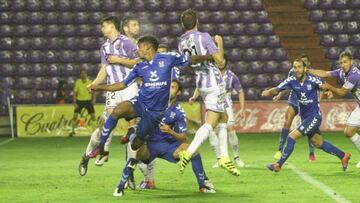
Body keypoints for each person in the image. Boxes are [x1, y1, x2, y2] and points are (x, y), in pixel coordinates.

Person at [89, 35, 212, 196]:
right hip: (140, 103)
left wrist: (211, 56)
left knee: (135, 145)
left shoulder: (168, 58)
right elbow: (122, 84)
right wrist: (99, 88)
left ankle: (201, 182)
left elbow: (191, 59)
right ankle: (101, 147)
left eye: (139, 47)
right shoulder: (139, 66)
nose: (137, 51)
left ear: (148, 48)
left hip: (154, 113)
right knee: (118, 110)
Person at [114, 80, 216, 197]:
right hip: (149, 145)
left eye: (173, 87)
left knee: (193, 152)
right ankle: (122, 185)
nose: (169, 89)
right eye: (168, 86)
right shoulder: (151, 102)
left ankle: (203, 184)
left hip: (169, 146)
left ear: (178, 92)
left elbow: (183, 138)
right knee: (135, 149)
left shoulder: (178, 112)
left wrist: (170, 131)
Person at [177, 9, 240, 176]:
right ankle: (189, 152)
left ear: (183, 25)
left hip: (201, 82)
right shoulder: (204, 36)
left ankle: (224, 158)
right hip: (213, 81)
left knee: (223, 118)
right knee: (211, 123)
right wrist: (219, 43)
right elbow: (220, 61)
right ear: (197, 21)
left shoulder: (181, 42)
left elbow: (188, 63)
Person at [261, 58, 351, 173]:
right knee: (318, 143)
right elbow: (278, 88)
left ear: (304, 69)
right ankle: (343, 156)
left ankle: (278, 165)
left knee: (291, 136)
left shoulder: (313, 80)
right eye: (295, 67)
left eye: (299, 67)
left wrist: (329, 91)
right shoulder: (291, 80)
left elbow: (324, 85)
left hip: (314, 116)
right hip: (305, 118)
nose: (297, 70)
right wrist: (269, 91)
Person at [78, 16, 139, 176]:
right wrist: (95, 84)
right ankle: (90, 155)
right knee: (104, 125)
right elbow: (104, 69)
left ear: (112, 27)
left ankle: (129, 172)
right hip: (113, 89)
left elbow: (138, 62)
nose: (102, 29)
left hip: (128, 86)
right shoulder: (104, 47)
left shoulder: (126, 42)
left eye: (104, 26)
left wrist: (119, 59)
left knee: (133, 126)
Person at [190, 57, 246, 168]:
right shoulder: (209, 72)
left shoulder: (231, 76)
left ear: (226, 62)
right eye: (218, 60)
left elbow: (240, 91)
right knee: (211, 131)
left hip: (226, 105)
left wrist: (242, 108)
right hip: (211, 104)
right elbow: (199, 86)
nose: (220, 62)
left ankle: (236, 157)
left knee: (229, 128)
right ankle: (219, 158)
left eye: (223, 60)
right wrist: (194, 97)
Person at [307, 51, 360, 168]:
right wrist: (309, 70)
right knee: (349, 132)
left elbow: (342, 92)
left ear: (351, 62)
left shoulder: (354, 74)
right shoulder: (341, 72)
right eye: (341, 62)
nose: (343, 64)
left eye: (345, 62)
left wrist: (329, 87)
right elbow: (325, 73)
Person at [272, 54, 317, 162]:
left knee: (309, 129)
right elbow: (287, 85)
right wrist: (279, 95)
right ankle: (280, 150)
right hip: (295, 101)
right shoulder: (293, 72)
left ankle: (311, 152)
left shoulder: (313, 75)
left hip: (307, 105)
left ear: (307, 64)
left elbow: (318, 89)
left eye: (305, 62)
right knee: (287, 122)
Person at [70, 69, 96, 137]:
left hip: (88, 101)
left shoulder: (90, 82)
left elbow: (94, 91)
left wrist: (94, 99)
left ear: (86, 74)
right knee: (75, 116)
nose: (83, 74)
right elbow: (75, 93)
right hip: (79, 101)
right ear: (80, 75)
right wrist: (74, 102)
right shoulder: (78, 82)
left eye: (84, 73)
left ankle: (94, 132)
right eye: (82, 73)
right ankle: (72, 131)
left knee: (93, 117)